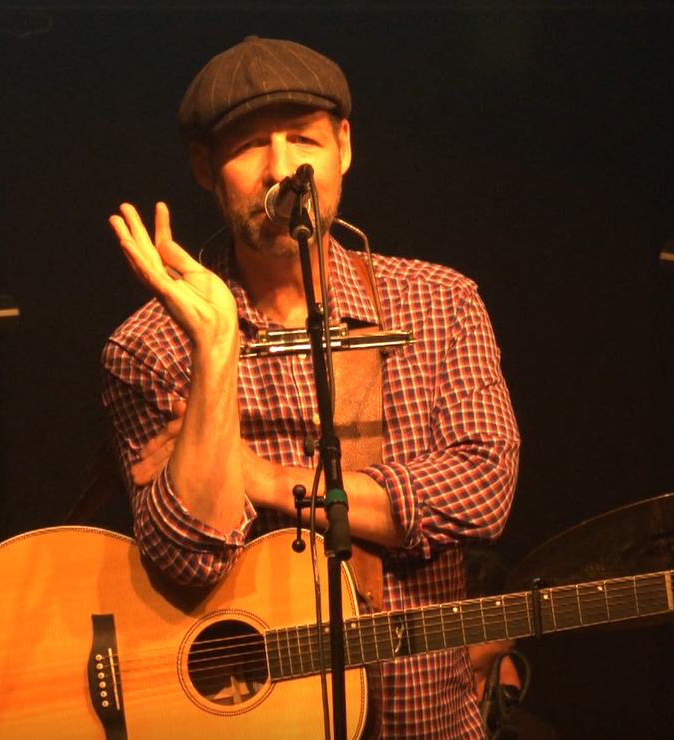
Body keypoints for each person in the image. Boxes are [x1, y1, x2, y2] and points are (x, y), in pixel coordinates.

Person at [101, 36, 520, 739]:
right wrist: (214, 348)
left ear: (343, 147)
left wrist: (261, 478)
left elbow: (481, 491)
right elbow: (187, 556)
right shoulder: (149, 345)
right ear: (204, 166)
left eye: (303, 138)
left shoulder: (441, 301)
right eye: (248, 146)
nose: (281, 170)